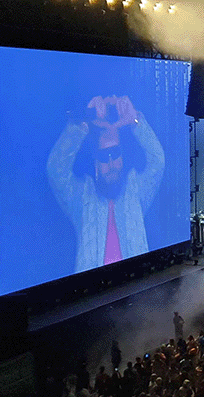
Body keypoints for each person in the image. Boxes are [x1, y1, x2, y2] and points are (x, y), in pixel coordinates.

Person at [47, 95, 164, 273]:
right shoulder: (81, 196)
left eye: (115, 153)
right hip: (92, 294)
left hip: (136, 287)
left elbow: (158, 161)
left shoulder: (135, 190)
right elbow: (56, 169)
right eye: (103, 156)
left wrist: (135, 121)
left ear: (123, 156)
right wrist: (82, 124)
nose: (111, 163)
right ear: (95, 163)